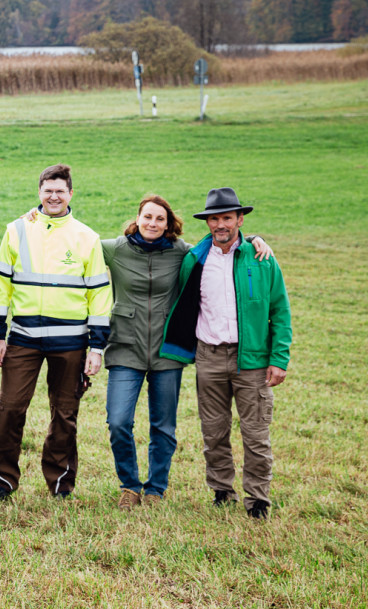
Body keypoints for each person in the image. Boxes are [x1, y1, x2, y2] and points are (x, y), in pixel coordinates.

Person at [102, 194, 272, 509]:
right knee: (118, 421)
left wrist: (254, 240)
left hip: (169, 350)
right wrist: (41, 214)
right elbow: (77, 242)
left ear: (169, 225)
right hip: (126, 347)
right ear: (138, 218)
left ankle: (155, 489)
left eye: (159, 219)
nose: (152, 223)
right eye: (147, 217)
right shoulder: (115, 249)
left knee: (163, 425)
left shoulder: (183, 253)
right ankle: (129, 486)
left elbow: (222, 244)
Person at [162, 187, 292, 519]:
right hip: (208, 355)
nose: (221, 224)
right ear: (207, 222)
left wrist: (278, 359)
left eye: (227, 218)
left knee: (256, 433)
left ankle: (258, 498)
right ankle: (222, 490)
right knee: (214, 430)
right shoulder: (195, 260)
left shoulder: (261, 258)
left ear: (240, 219)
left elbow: (280, 310)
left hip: (251, 359)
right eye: (214, 219)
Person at [0, 164, 111, 501]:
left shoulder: (87, 238)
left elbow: (100, 295)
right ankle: (4, 481)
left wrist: (96, 348)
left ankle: (60, 485)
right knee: (10, 409)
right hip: (23, 339)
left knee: (65, 416)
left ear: (71, 194)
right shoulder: (16, 231)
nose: (53, 196)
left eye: (60, 190)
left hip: (71, 343)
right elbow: (1, 287)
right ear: (39, 193)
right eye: (48, 190)